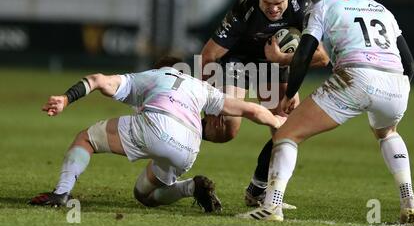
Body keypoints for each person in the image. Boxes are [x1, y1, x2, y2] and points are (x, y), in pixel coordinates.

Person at [239, 0, 414, 224]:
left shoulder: (324, 5)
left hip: (356, 76)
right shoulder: (382, 10)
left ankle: (272, 206)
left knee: (287, 134)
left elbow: (304, 54)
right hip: (396, 82)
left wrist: (290, 95)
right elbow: (410, 63)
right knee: (388, 133)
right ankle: (409, 201)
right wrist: (400, 90)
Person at [29, 57, 285, 212]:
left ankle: (62, 193)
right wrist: (277, 121)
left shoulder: (152, 75)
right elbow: (251, 110)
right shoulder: (201, 87)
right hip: (188, 148)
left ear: (160, 68)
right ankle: (190, 187)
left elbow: (97, 80)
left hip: (155, 127)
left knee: (85, 138)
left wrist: (66, 98)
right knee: (144, 196)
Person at [200, 0, 329, 208]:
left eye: (279, 3)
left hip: (274, 64)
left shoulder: (302, 6)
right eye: (268, 3)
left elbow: (322, 58)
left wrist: (280, 59)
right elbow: (208, 55)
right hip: (237, 61)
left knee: (289, 128)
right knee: (227, 130)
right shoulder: (244, 6)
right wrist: (210, 102)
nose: (273, 9)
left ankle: (259, 192)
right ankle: (181, 124)